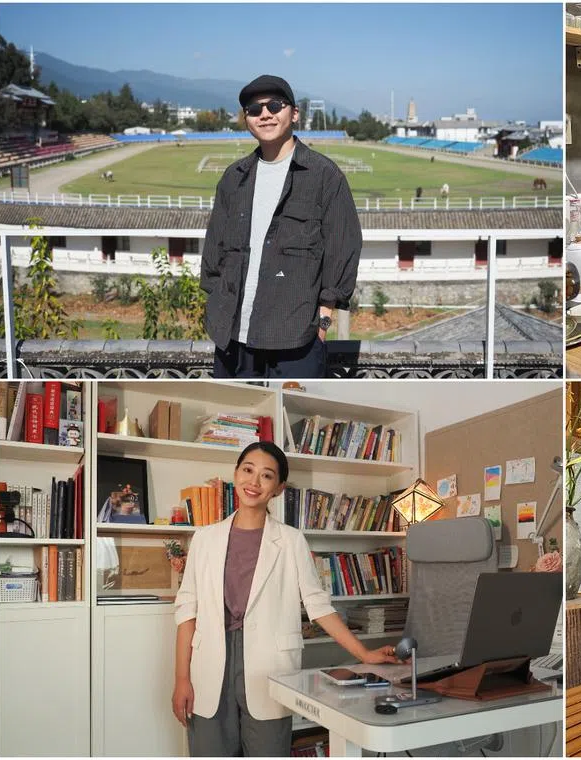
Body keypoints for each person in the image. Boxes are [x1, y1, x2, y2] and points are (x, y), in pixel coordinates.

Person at [172, 442, 402, 756]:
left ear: (279, 488)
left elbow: (318, 605)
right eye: (248, 470)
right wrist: (182, 679)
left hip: (269, 666)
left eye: (266, 476)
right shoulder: (204, 539)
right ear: (236, 474)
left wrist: (364, 653)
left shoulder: (292, 541)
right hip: (210, 665)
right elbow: (187, 611)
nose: (254, 482)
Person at [200, 75, 361, 379]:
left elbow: (343, 249)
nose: (265, 114)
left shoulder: (324, 176)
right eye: (254, 109)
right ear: (246, 119)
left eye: (275, 105)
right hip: (233, 340)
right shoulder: (233, 178)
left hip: (296, 341)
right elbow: (214, 254)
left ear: (294, 114)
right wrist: (216, 306)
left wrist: (323, 324)